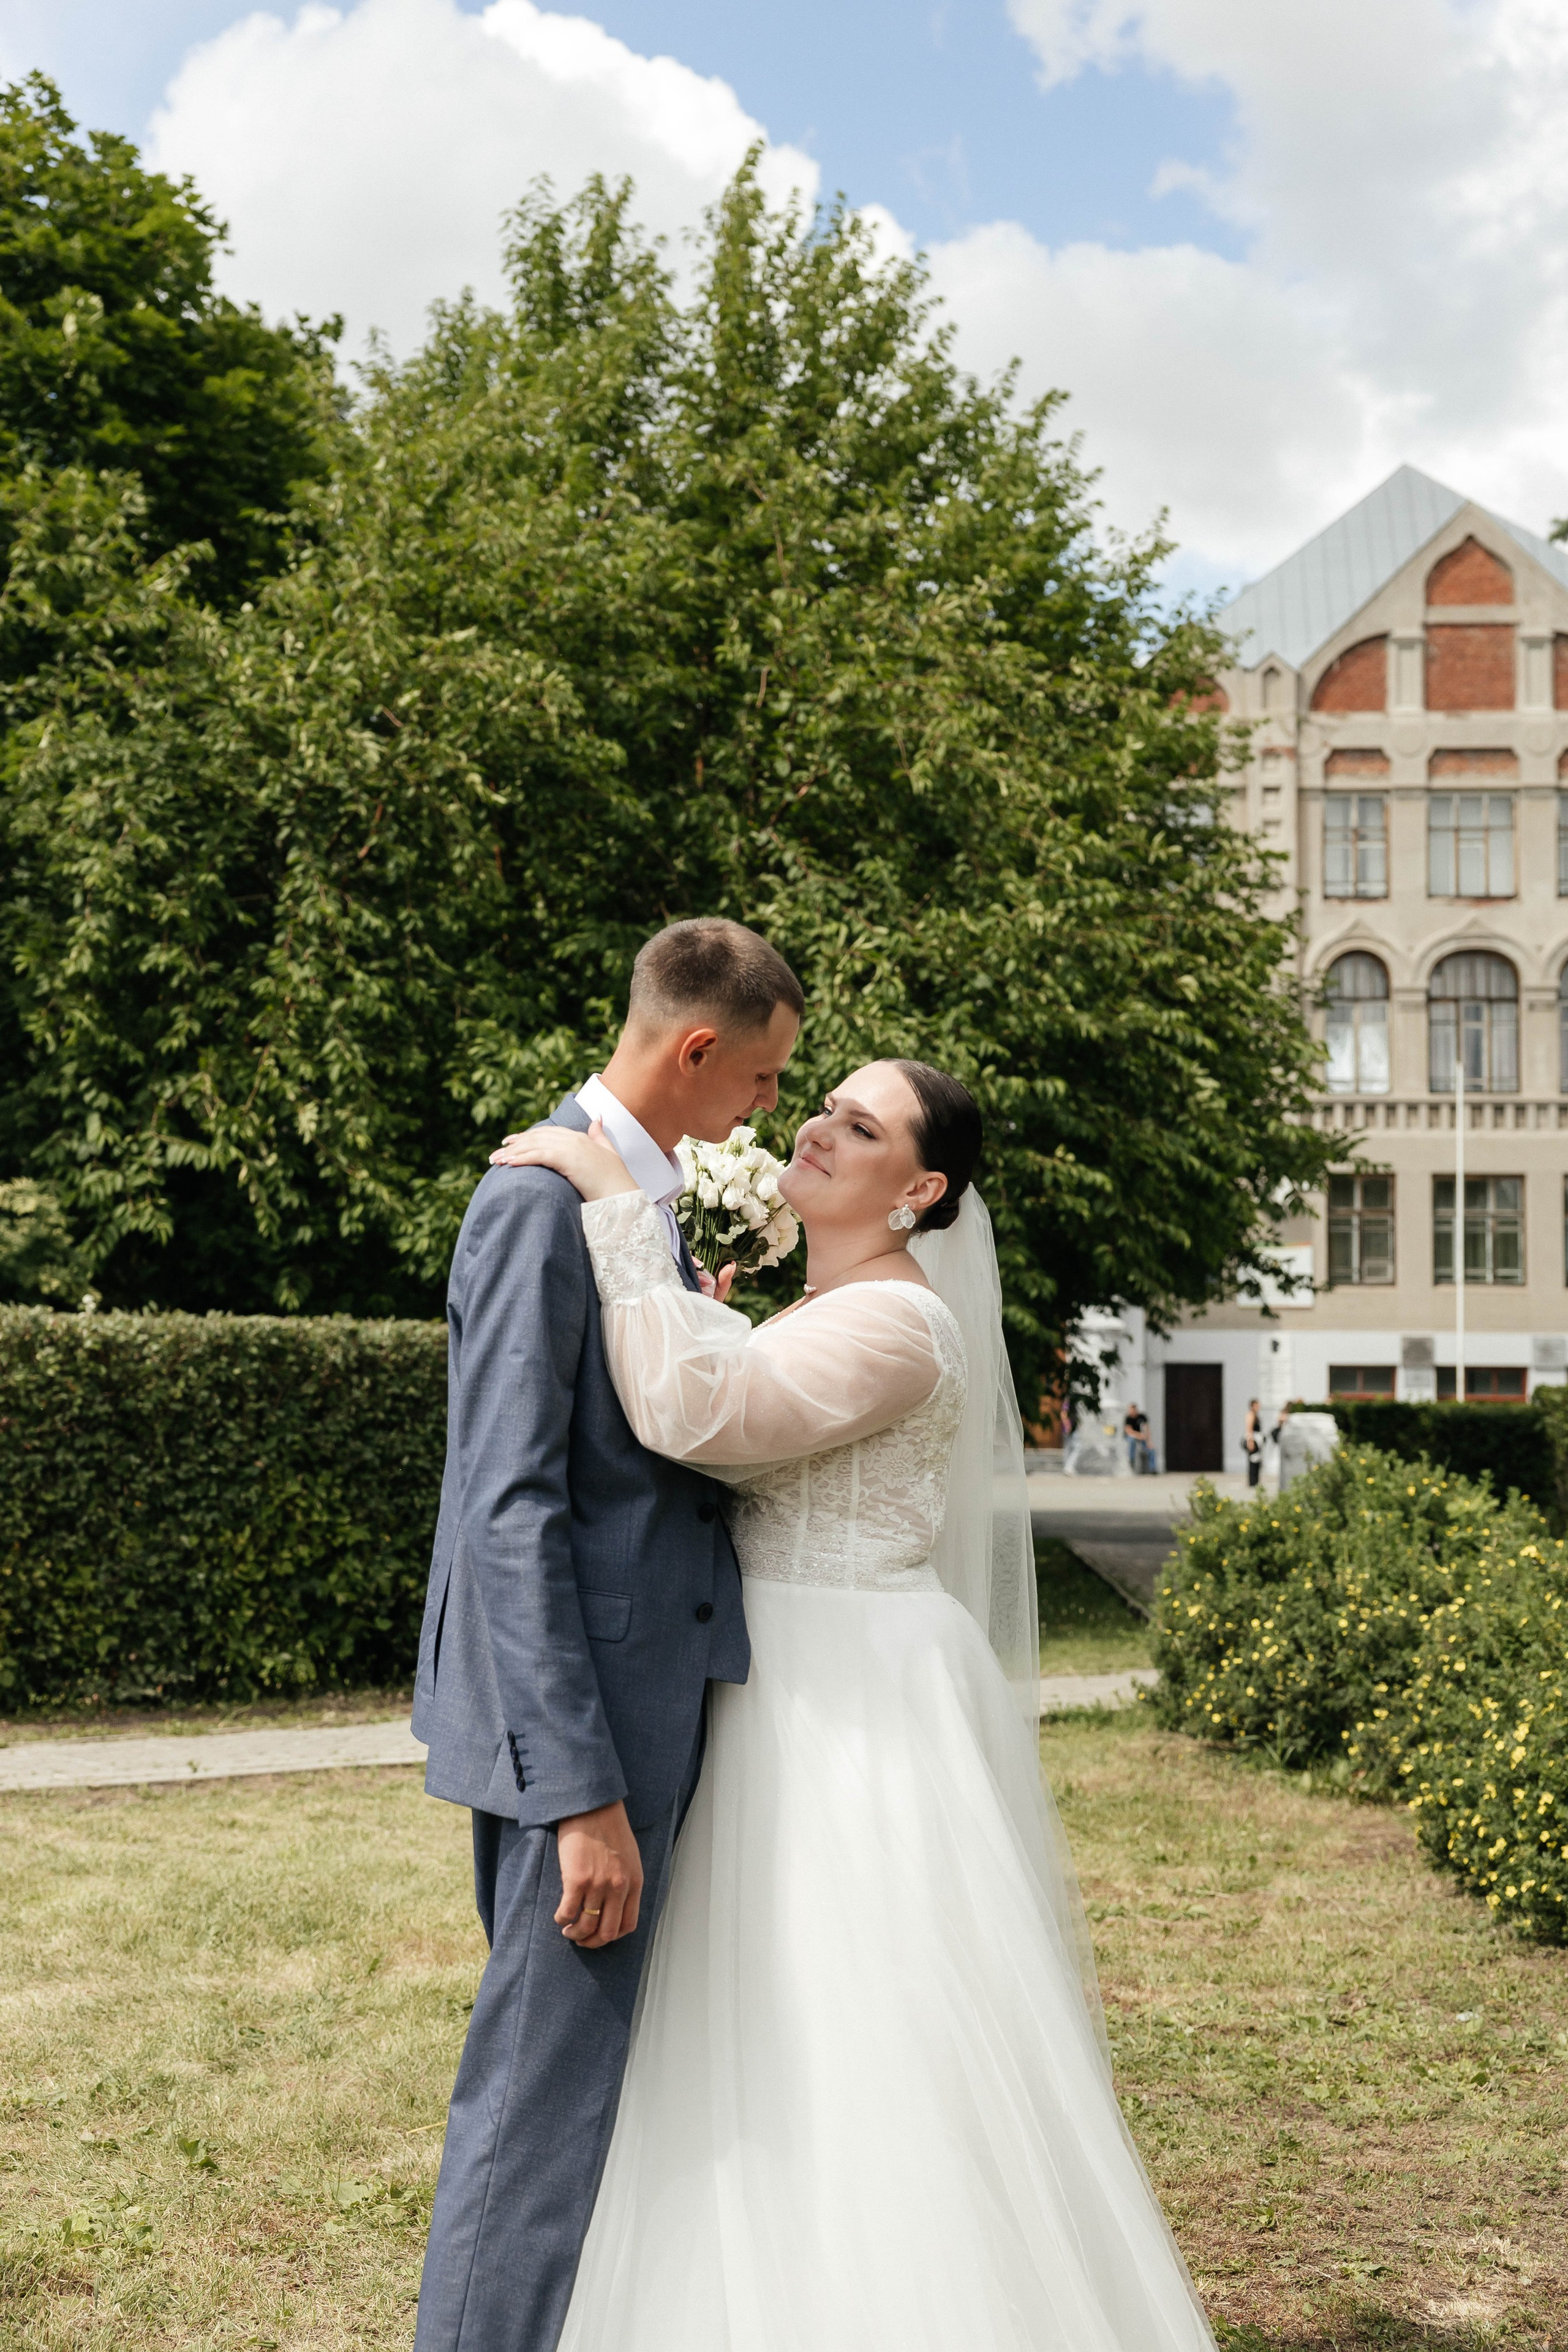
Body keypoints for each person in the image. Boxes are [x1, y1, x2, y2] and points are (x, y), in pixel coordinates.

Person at [494, 1059, 1217, 2352]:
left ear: (920, 1188)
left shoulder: (898, 1325)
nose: (818, 1128)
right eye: (822, 1106)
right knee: (758, 2013)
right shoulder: (840, 1306)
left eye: (861, 1125)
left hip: (842, 1704)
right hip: (782, 1679)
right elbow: (738, 1383)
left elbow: (691, 1411)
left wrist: (612, 1197)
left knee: (849, 2018)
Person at [410, 918, 802, 2352]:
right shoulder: (533, 1204)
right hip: (577, 1732)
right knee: (537, 2102)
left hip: (647, 1696)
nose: (766, 1109)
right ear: (695, 1049)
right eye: (760, 1081)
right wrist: (583, 1796)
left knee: (589, 2086)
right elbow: (505, 1506)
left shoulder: (639, 1203)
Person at [1123, 1400, 1150, 1475]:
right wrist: (1140, 1436)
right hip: (1132, 1437)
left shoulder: (1142, 1417)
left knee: (1150, 1449)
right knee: (1132, 1441)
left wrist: (1149, 1441)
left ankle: (1150, 1468)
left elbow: (1146, 1429)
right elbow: (1129, 1432)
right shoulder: (1128, 1418)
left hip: (1141, 1437)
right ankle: (1131, 1460)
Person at [1243, 1397, 1264, 1489]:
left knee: (1257, 1461)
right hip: (1253, 1440)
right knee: (1253, 1461)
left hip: (1258, 1440)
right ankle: (1252, 1481)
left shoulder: (1256, 1415)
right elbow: (1249, 1429)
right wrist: (1250, 1441)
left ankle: (1256, 1481)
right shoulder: (1251, 1415)